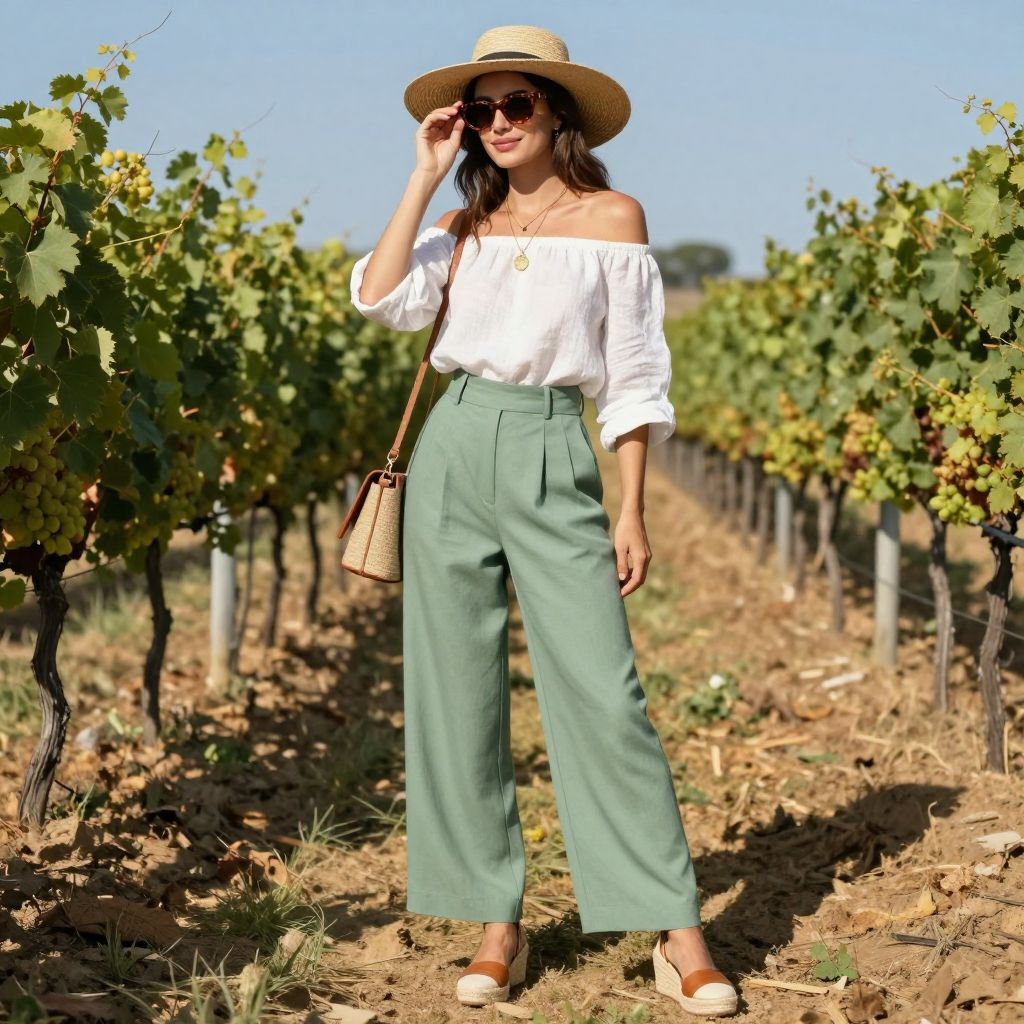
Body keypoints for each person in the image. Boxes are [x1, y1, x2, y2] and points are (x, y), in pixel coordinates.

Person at [348, 24, 739, 1019]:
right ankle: (496, 924)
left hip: (553, 447)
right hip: (453, 445)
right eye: (479, 110)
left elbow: (636, 373)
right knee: (455, 696)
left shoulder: (613, 219)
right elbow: (379, 297)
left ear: (557, 112)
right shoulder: (462, 227)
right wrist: (423, 175)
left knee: (604, 697)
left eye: (515, 105)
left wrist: (631, 505)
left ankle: (675, 929)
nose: (495, 125)